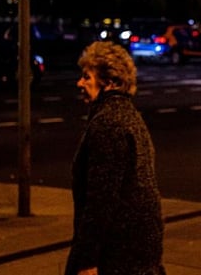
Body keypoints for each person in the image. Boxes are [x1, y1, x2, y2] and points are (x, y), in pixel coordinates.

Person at [65, 41, 165, 275]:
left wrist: (87, 261)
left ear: (109, 83)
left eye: (87, 77)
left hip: (117, 255)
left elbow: (101, 199)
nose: (79, 83)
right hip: (138, 250)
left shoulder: (109, 123)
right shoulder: (129, 116)